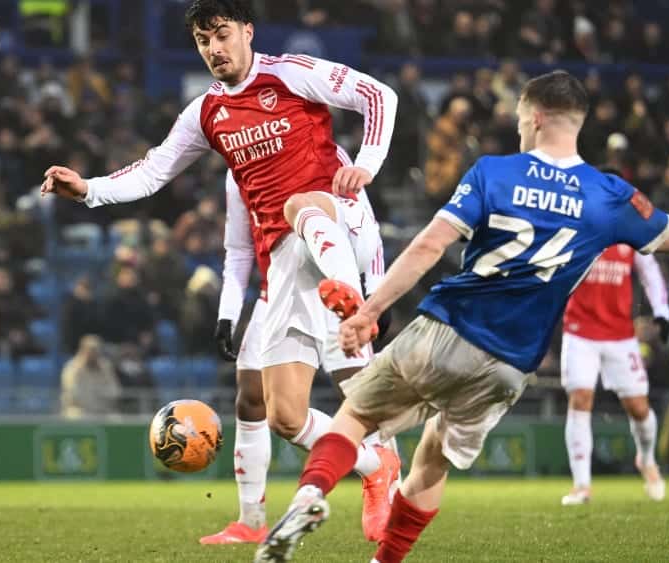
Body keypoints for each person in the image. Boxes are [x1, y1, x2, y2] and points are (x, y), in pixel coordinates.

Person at [256, 70, 669, 563]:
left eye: (519, 120)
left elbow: (430, 245)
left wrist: (369, 311)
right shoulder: (610, 195)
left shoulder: (494, 173)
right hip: (510, 366)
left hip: (449, 327)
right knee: (433, 459)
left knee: (357, 416)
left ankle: (309, 496)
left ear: (535, 118)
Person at [40, 0, 401, 540]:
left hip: (336, 226)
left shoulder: (291, 73)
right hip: (284, 263)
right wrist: (89, 189)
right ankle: (375, 468)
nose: (214, 49)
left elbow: (378, 95)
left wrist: (367, 166)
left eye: (222, 35)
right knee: (284, 416)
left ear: (248, 32)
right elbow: (153, 171)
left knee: (303, 208)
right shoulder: (207, 114)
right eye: (203, 41)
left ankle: (351, 298)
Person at [201, 169, 393, 545]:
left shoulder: (321, 149)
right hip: (279, 284)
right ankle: (253, 519)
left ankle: (392, 499)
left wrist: (374, 290)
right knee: (270, 408)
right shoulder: (237, 165)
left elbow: (365, 218)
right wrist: (228, 312)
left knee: (364, 399)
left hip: (334, 278)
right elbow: (239, 247)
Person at [560, 241, 669, 505]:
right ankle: (582, 486)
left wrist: (662, 310)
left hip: (620, 334)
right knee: (580, 399)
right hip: (579, 330)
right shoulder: (577, 222)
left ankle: (647, 459)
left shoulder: (629, 226)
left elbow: (649, 268)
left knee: (638, 408)